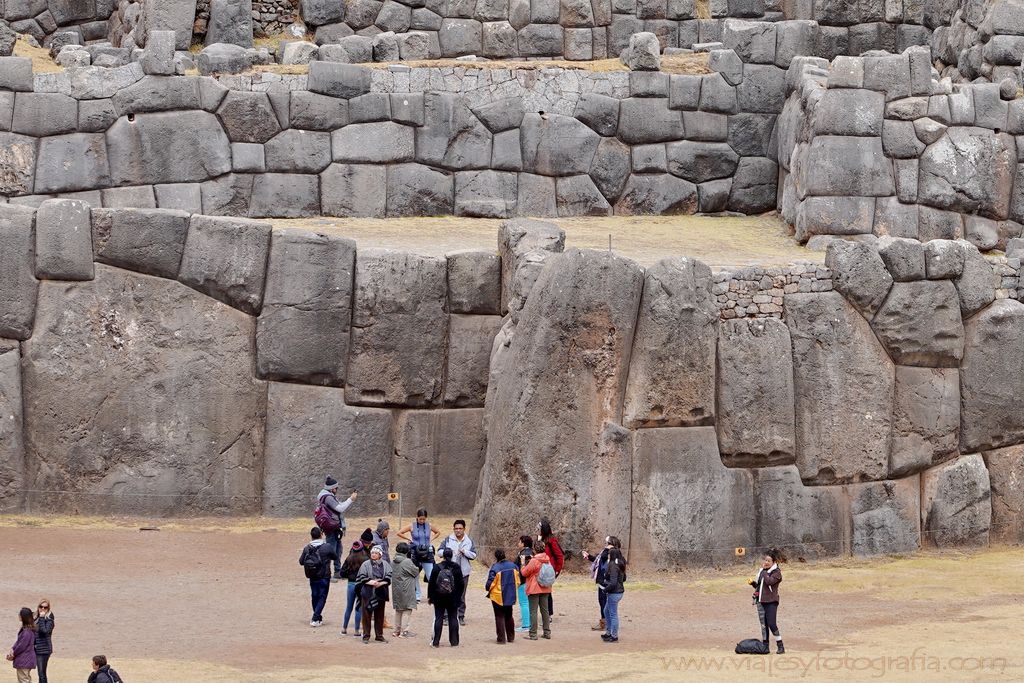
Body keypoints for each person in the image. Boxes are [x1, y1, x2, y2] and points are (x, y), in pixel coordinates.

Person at [316, 476, 357, 581]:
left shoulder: (328, 496)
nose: (337, 490)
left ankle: (337, 572)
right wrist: (351, 499)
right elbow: (340, 508)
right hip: (331, 527)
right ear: (332, 488)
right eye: (336, 488)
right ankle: (327, 574)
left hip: (334, 526)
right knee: (331, 551)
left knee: (338, 550)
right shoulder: (328, 497)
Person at [438, 520, 477, 625]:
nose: (458, 530)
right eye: (456, 528)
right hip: (449, 573)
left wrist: (465, 552)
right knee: (447, 593)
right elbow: (439, 552)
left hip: (463, 573)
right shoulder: (448, 539)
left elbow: (474, 555)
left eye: (460, 528)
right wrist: (448, 552)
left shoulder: (469, 541)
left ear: (464, 529)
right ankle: (446, 616)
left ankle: (460, 616)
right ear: (453, 529)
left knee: (461, 595)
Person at [299, 526, 339, 627]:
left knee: (314, 596)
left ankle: (318, 618)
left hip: (312, 576)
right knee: (322, 597)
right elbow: (335, 557)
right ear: (321, 535)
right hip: (324, 576)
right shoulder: (327, 547)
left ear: (311, 536)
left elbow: (301, 561)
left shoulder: (307, 548)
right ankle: (315, 618)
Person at [397, 509, 440, 601]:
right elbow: (399, 533)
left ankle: (433, 595)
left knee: (431, 574)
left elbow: (438, 532)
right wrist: (408, 538)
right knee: (415, 574)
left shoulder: (429, 525)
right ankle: (417, 595)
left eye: (424, 519)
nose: (422, 521)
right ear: (417, 517)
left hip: (427, 552)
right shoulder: (412, 526)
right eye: (420, 519)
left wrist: (431, 539)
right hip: (415, 552)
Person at [581, 536, 621, 633]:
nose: (605, 545)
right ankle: (605, 623)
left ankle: (607, 625)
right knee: (603, 603)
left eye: (607, 543)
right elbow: (599, 560)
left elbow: (603, 557)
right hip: (602, 582)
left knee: (606, 605)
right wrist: (588, 556)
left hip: (607, 583)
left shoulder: (611, 553)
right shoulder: (607, 553)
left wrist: (608, 548)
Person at [427, 548, 465, 648]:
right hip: (453, 597)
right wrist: (458, 596)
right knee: (453, 618)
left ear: (443, 555)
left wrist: (430, 597)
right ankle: (454, 641)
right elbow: (461, 584)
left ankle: (435, 642)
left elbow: (431, 583)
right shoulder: (456, 567)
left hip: (439, 597)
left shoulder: (437, 567)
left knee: (438, 618)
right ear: (452, 555)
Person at [749, 549, 784, 654]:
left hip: (771, 602)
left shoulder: (777, 573)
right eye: (765, 560)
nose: (766, 562)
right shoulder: (762, 572)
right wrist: (753, 584)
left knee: (772, 624)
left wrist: (764, 571)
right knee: (764, 625)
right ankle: (765, 646)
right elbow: (760, 587)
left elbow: (769, 582)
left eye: (769, 561)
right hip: (761, 601)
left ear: (773, 562)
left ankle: (780, 645)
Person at [356, 545, 393, 643]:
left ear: (380, 554)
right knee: (366, 615)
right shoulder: (365, 564)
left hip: (381, 592)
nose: (373, 555)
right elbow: (361, 577)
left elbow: (389, 577)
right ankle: (366, 636)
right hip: (368, 592)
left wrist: (381, 583)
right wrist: (371, 582)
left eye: (376, 553)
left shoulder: (385, 564)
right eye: (372, 553)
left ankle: (379, 635)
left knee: (380, 614)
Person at [485, 549, 520, 644]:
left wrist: (487, 588)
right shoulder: (513, 566)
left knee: (499, 616)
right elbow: (518, 579)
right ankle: (511, 637)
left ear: (496, 557)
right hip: (510, 593)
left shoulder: (495, 567)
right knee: (509, 615)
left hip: (498, 595)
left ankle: (501, 638)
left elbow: (490, 582)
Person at [521, 540, 552, 640]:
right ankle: (547, 632)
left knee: (533, 611)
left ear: (535, 549)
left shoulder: (534, 561)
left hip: (534, 588)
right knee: (545, 611)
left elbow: (525, 573)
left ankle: (533, 634)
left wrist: (523, 564)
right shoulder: (547, 559)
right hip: (546, 587)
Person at [390, 542, 420, 638]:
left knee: (398, 610)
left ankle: (396, 631)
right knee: (407, 609)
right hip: (406, 588)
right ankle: (404, 631)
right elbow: (415, 572)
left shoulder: (393, 561)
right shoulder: (407, 561)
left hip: (396, 589)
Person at [340, 540, 368, 636]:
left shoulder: (349, 558)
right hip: (361, 585)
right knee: (359, 608)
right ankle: (356, 631)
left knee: (349, 607)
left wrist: (349, 575)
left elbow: (342, 573)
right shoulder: (365, 559)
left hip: (351, 584)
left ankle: (344, 628)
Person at [538, 519, 564, 620]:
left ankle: (548, 614)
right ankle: (545, 613)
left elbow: (559, 556)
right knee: (541, 592)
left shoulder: (552, 540)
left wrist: (557, 570)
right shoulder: (542, 539)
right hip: (541, 569)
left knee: (546, 592)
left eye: (539, 528)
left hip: (549, 570)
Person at [600, 547, 626, 643]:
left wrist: (605, 589)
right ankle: (609, 633)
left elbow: (614, 582)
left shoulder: (613, 565)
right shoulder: (619, 563)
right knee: (606, 611)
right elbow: (624, 579)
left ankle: (614, 635)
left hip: (614, 593)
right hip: (617, 592)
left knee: (613, 614)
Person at [6, 608, 34, 683]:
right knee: (25, 679)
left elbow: (21, 646)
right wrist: (12, 648)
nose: (19, 615)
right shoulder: (27, 629)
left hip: (24, 660)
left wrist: (13, 654)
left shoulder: (27, 631)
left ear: (23, 617)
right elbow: (19, 642)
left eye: (20, 614)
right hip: (26, 660)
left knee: (24, 680)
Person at [514, 535, 534, 633]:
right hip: (531, 581)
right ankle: (529, 622)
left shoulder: (523, 554)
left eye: (519, 542)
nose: (518, 543)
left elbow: (521, 569)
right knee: (529, 602)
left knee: (524, 603)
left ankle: (526, 625)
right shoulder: (532, 553)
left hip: (523, 581)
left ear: (523, 543)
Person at [33, 601, 53, 683]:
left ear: (48, 609)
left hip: (44, 650)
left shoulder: (49, 620)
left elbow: (44, 631)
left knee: (41, 673)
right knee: (40, 673)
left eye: (45, 607)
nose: (43, 609)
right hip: (36, 648)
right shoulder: (35, 618)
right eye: (41, 606)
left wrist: (42, 618)